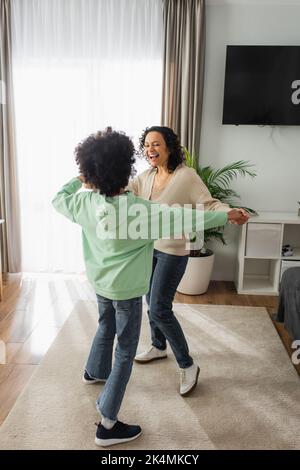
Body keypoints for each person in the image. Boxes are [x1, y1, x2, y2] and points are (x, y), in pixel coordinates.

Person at [52, 127, 244, 447]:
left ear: (90, 170)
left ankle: (94, 371)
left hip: (99, 284)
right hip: (126, 292)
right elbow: (191, 218)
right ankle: (108, 425)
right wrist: (228, 216)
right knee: (125, 351)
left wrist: (79, 181)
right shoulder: (143, 212)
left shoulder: (83, 203)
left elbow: (58, 198)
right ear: (127, 166)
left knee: (105, 323)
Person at [128, 126, 249, 396]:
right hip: (149, 248)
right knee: (151, 301)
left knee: (160, 308)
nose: (150, 150)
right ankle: (159, 346)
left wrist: (230, 212)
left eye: (156, 144)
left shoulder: (186, 176)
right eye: (147, 145)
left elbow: (209, 204)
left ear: (169, 146)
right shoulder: (145, 177)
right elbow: (124, 193)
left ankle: (188, 364)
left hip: (174, 250)